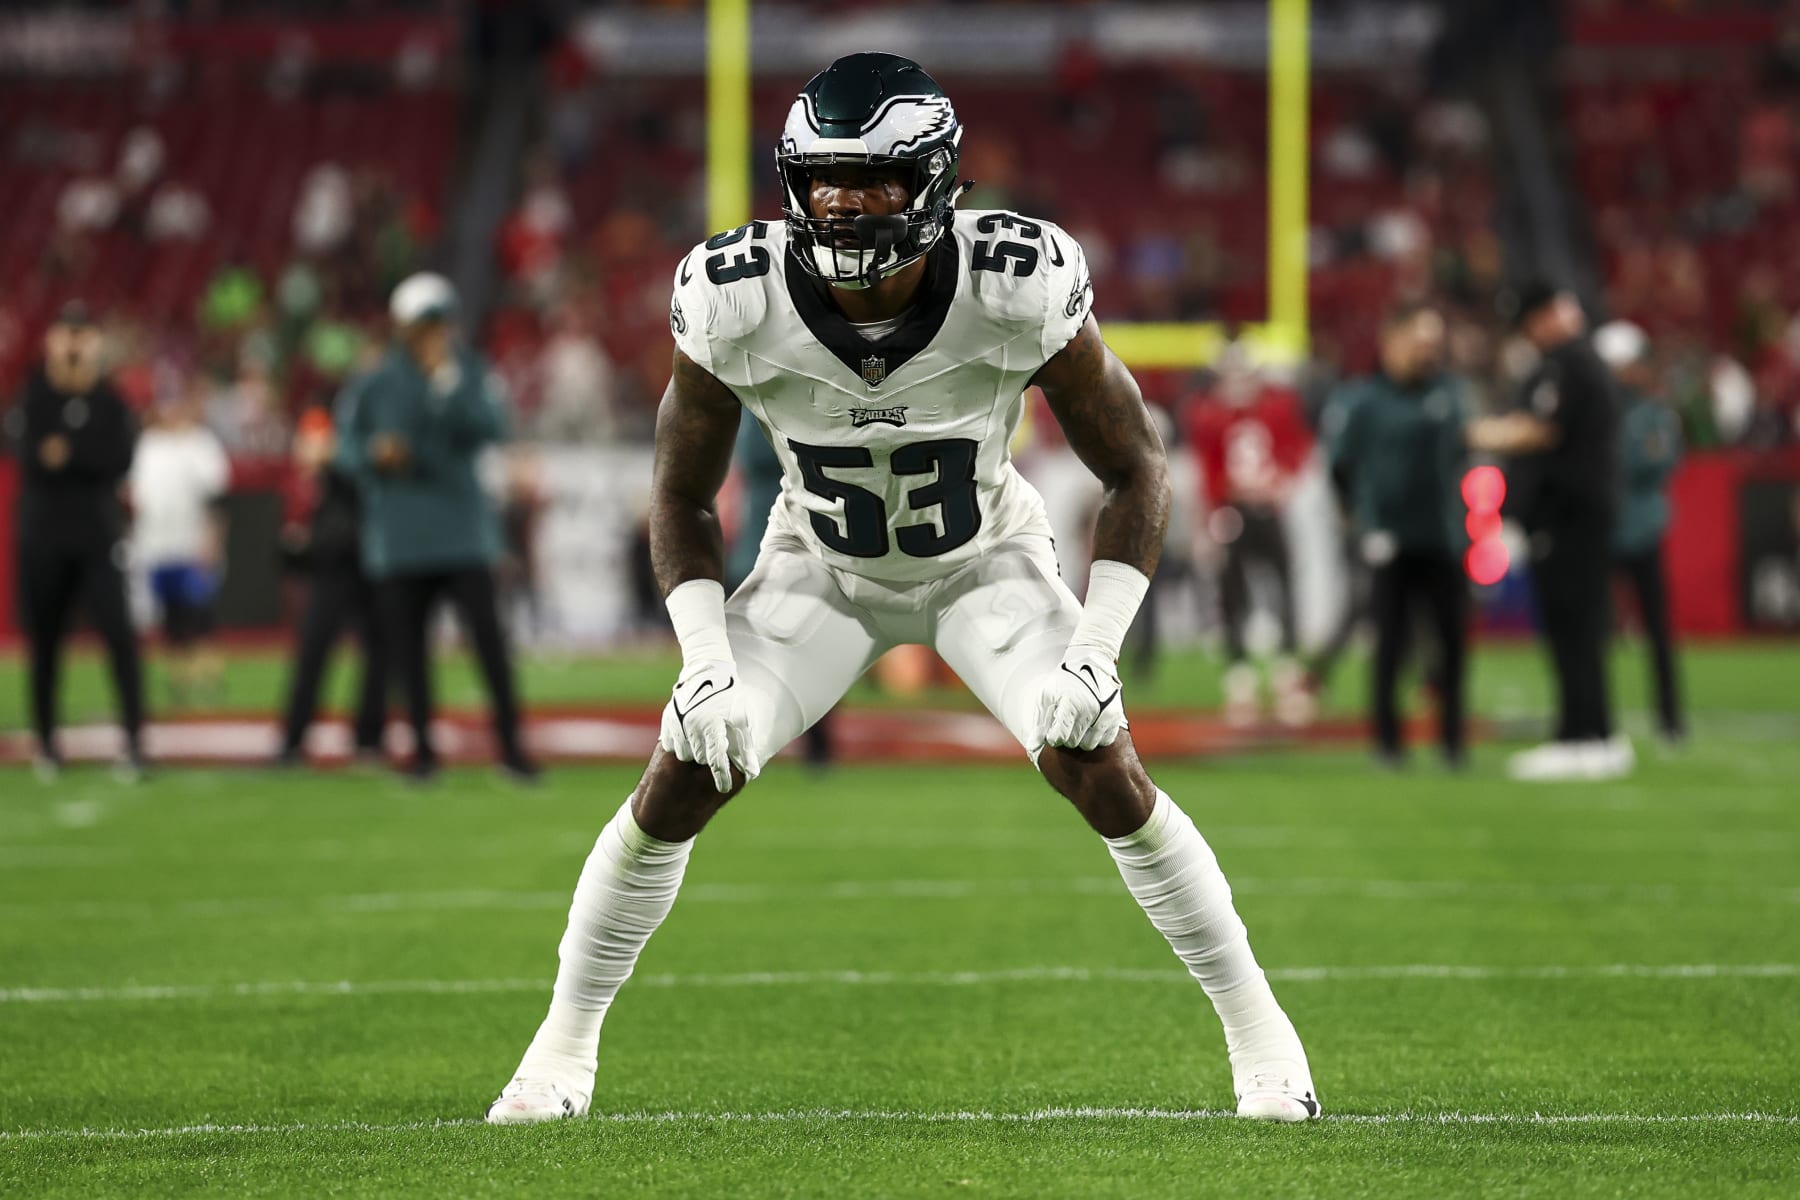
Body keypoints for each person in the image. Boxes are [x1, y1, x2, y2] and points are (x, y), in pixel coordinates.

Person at [485, 53, 1318, 1126]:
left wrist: (1095, 651)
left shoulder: (1015, 279)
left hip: (984, 568)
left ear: (933, 181)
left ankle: (1262, 1035)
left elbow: (1137, 468)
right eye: (825, 178)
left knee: (1096, 764)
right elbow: (681, 497)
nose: (842, 203)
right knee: (684, 770)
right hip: (819, 572)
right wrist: (703, 665)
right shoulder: (735, 297)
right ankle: (561, 1047)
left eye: (873, 180)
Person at [335, 272, 538, 783]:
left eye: (440, 323)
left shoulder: (467, 371)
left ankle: (512, 748)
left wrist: (446, 386)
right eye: (426, 324)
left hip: (463, 530)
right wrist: (374, 455)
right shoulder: (377, 381)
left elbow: (492, 426)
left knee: (490, 645)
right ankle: (423, 752)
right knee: (409, 653)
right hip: (402, 534)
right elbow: (346, 448)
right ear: (404, 329)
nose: (435, 334)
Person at [1469, 282, 1630, 781]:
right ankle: (1592, 734)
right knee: (1577, 628)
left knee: (1573, 628)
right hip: (1575, 516)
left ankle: (1582, 737)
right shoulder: (1580, 361)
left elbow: (1542, 427)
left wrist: (1476, 432)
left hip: (1569, 518)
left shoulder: (1570, 363)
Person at [1324, 301, 1470, 767]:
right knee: (1390, 644)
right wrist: (1358, 522)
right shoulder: (1365, 399)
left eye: (1433, 342)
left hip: (1443, 534)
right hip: (1389, 538)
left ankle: (1452, 742)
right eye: (1419, 341)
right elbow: (1340, 467)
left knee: (1450, 644)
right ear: (1393, 339)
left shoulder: (1451, 392)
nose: (1428, 351)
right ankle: (1388, 743)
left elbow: (1461, 458)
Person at [5, 301, 146, 782]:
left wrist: (69, 454)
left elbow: (118, 456)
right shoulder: (33, 396)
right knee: (44, 645)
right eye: (66, 333)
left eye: (82, 335)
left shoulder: (110, 400)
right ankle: (46, 742)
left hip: (97, 537)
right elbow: (29, 452)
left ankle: (134, 740)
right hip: (43, 539)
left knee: (119, 638)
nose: (73, 344)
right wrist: (73, 455)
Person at [1183, 342, 1314, 728]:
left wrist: (1282, 482)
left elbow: (1297, 447)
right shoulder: (1208, 413)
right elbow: (1206, 469)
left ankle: (1286, 674)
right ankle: (1240, 679)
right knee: (1233, 593)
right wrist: (1208, 517)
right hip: (1231, 509)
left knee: (1282, 588)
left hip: (1268, 509)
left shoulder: (1276, 406)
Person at [273, 406, 387, 766]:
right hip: (338, 564)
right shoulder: (318, 475)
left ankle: (367, 737)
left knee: (374, 655)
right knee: (316, 651)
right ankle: (295, 738)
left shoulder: (350, 457)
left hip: (365, 562)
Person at [1595, 320, 1685, 745]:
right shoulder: (1601, 412)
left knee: (1659, 631)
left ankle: (1670, 718)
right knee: (1598, 633)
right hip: (1606, 530)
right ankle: (1600, 717)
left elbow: (1657, 462)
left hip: (1642, 530)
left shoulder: (1652, 412)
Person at [129, 382, 231, 709]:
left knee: (198, 617)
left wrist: (212, 540)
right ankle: (179, 688)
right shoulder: (147, 444)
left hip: (190, 544)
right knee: (170, 621)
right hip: (154, 546)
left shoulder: (200, 443)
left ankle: (208, 685)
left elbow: (217, 499)